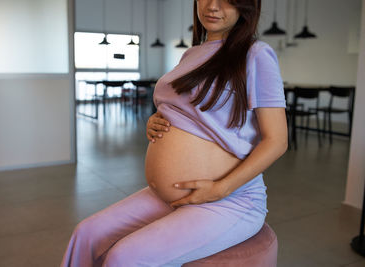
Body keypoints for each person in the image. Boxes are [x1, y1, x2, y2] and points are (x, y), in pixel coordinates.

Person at [60, 0, 287, 266]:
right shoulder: (191, 55)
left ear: (245, 6)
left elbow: (277, 141)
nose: (213, 5)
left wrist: (219, 189)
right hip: (169, 196)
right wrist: (155, 120)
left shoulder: (255, 54)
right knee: (85, 234)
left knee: (123, 258)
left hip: (227, 201)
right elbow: (192, 112)